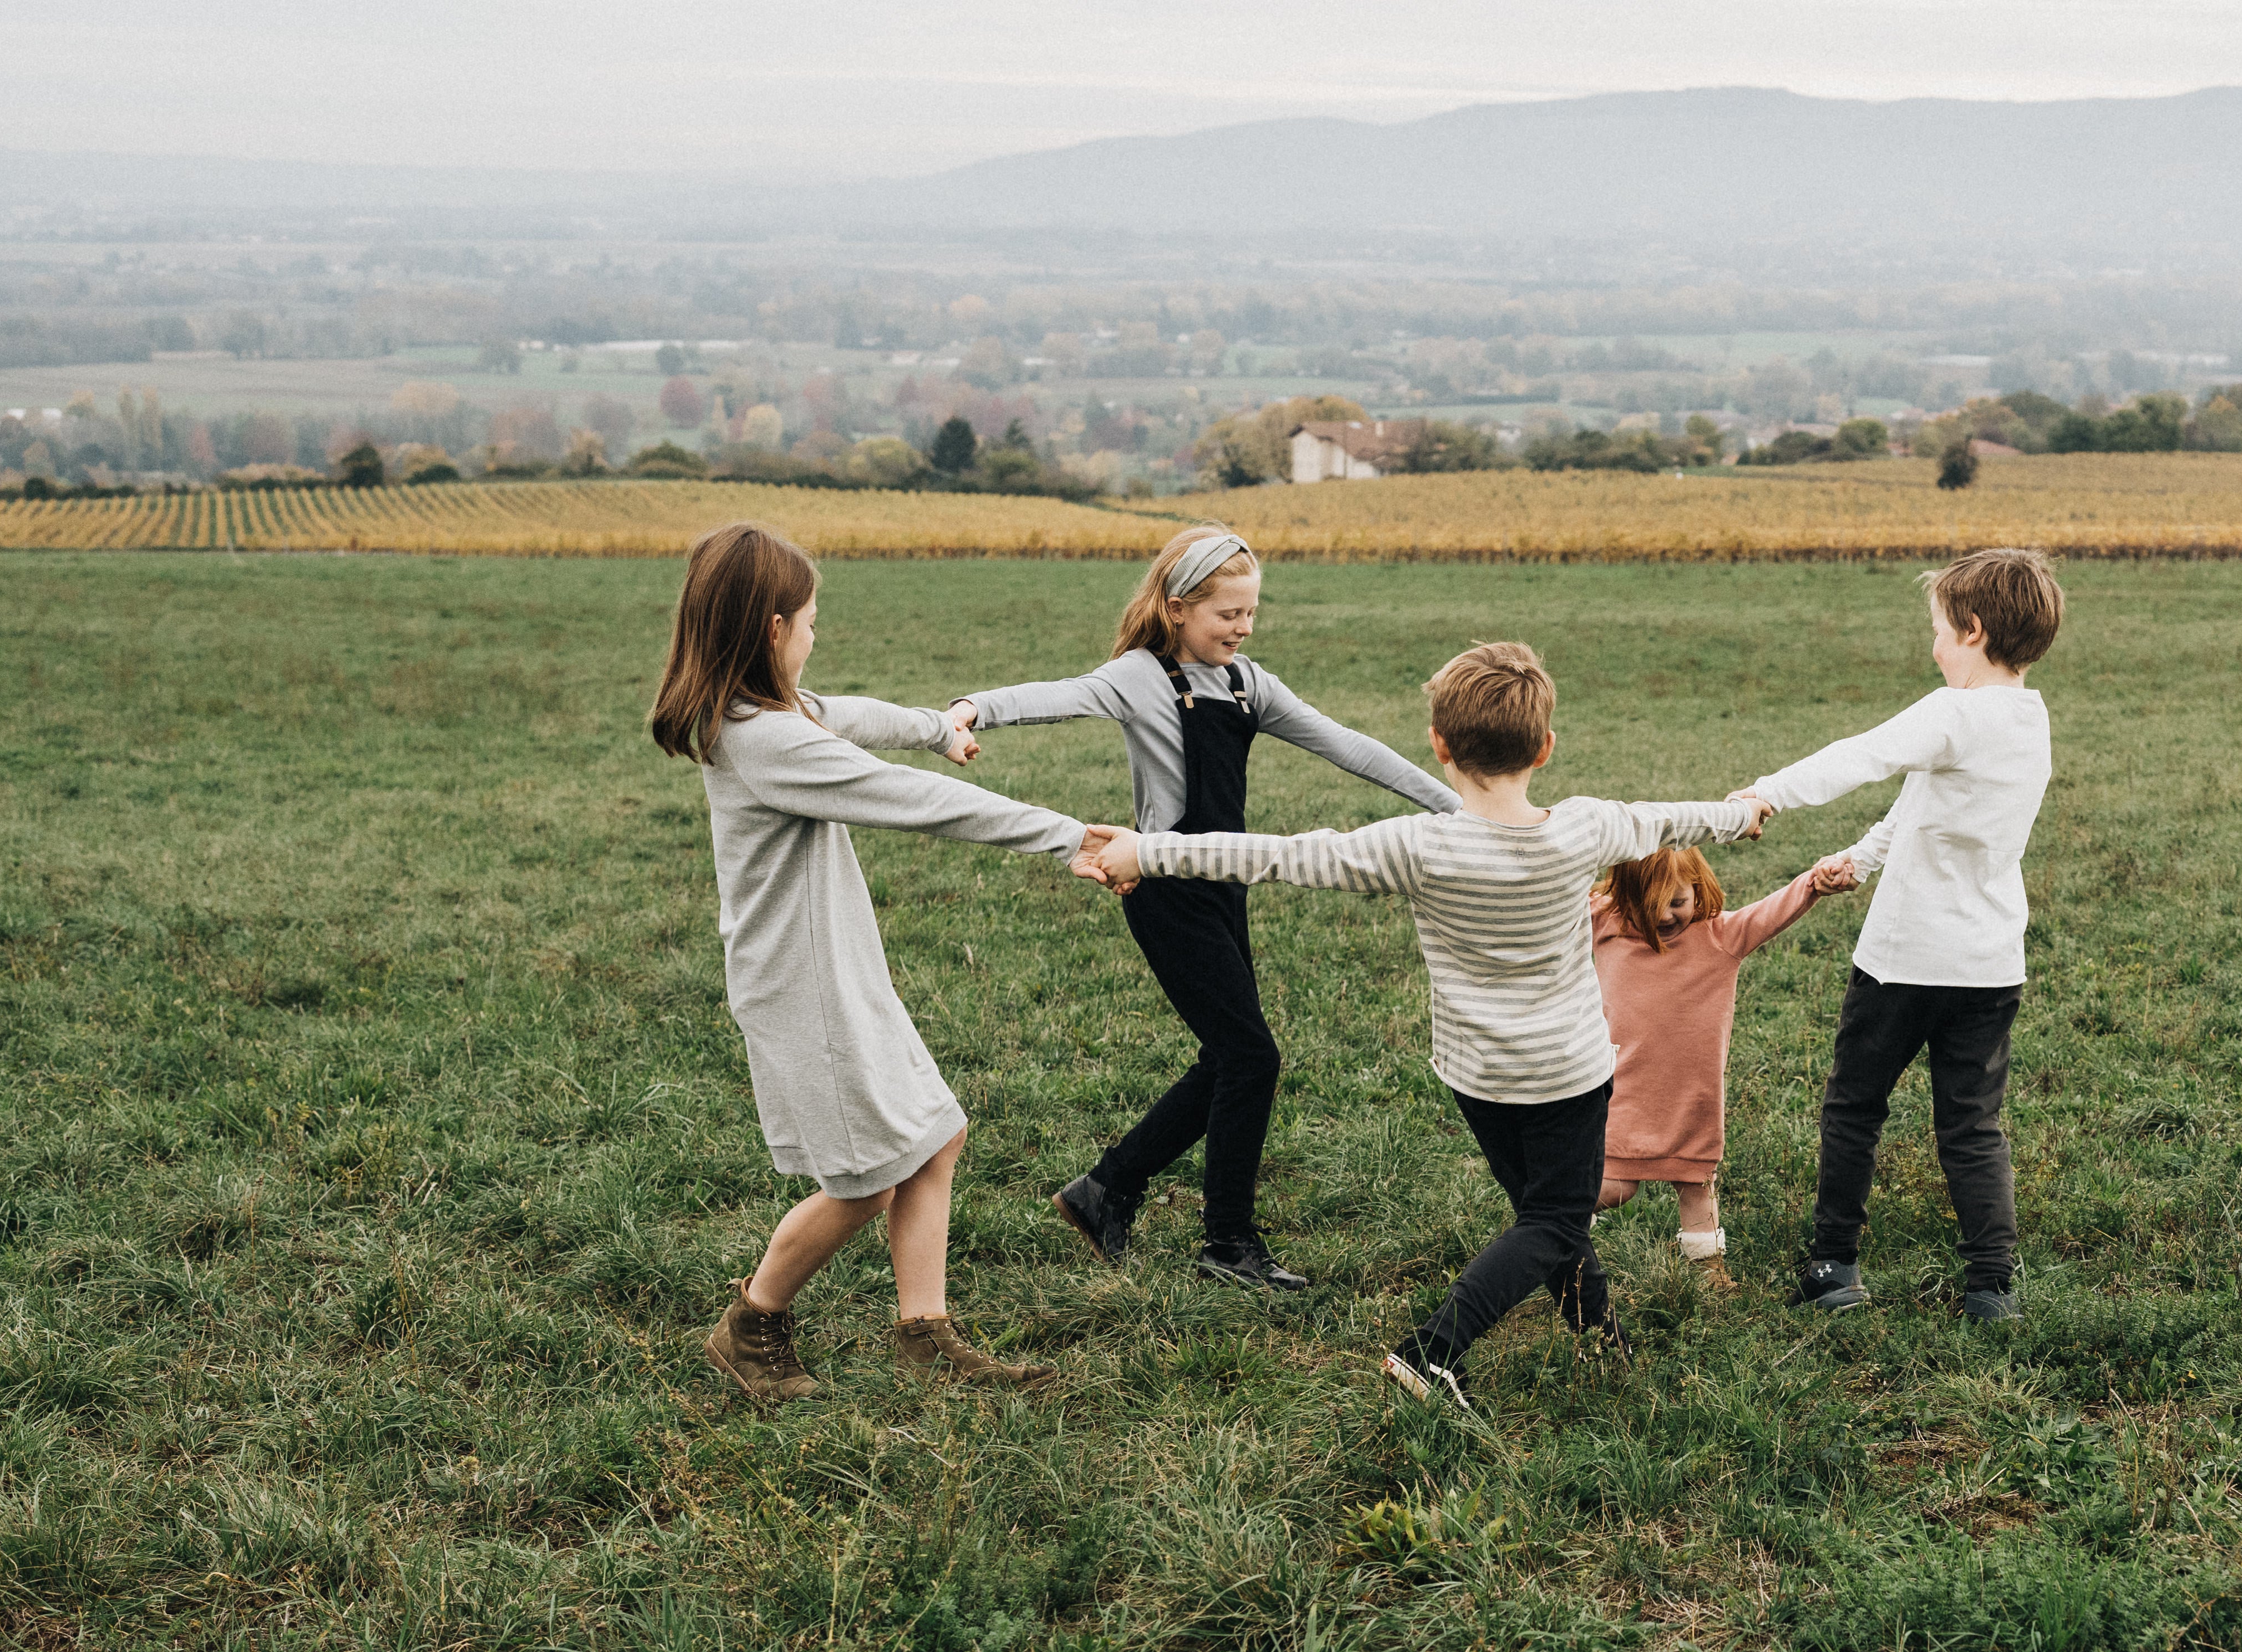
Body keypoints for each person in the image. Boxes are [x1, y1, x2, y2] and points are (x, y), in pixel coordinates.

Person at [1093, 642, 1769, 1407]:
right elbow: (1678, 817)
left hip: (1476, 1076)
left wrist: (1147, 849)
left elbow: (1280, 856)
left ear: (1439, 746)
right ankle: (1431, 1352)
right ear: (1546, 748)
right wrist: (1744, 812)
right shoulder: (1586, 829)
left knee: (1540, 1214)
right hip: (1565, 1074)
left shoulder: (1415, 844)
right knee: (1553, 1217)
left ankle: (1600, 1334)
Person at [648, 522, 1116, 1398]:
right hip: (803, 990)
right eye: (813, 620)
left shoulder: (775, 713)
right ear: (773, 630)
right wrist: (1064, 836)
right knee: (865, 1180)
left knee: (935, 1137)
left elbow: (853, 713)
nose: (817, 635)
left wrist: (937, 725)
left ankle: (924, 1335)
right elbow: (914, 801)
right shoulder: (768, 743)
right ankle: (752, 1324)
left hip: (838, 976)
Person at [949, 525, 1460, 1292]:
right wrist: (969, 710)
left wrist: (1458, 806)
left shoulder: (1248, 683)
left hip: (1226, 885)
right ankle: (1228, 1242)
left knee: (1229, 1057)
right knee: (1250, 1057)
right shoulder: (1138, 677)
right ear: (1178, 607)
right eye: (1228, 615)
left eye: (1251, 614)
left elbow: (1347, 744)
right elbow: (1056, 697)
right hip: (1163, 889)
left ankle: (1107, 1188)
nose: (1243, 628)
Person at [1738, 547, 2062, 1322]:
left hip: (1904, 962)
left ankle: (1834, 1267)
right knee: (1971, 1125)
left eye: (1938, 631)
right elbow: (1926, 802)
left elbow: (1865, 756)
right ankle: (1991, 1285)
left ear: (1973, 629)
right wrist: (1861, 858)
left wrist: (1765, 794)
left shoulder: (1953, 713)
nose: (1933, 646)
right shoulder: (2028, 718)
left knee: (1855, 1107)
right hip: (1989, 967)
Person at [1589, 845, 1856, 1290]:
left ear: (1699, 889)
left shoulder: (1719, 935)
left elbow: (1769, 913)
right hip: (1623, 1090)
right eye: (1651, 905)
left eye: (1677, 901)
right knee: (1614, 1187)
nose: (1666, 915)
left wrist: (1812, 882)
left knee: (1696, 1185)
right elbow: (1551, 888)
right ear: (1626, 896)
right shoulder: (1606, 923)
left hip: (1691, 1096)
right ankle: (1556, 1235)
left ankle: (1708, 1271)